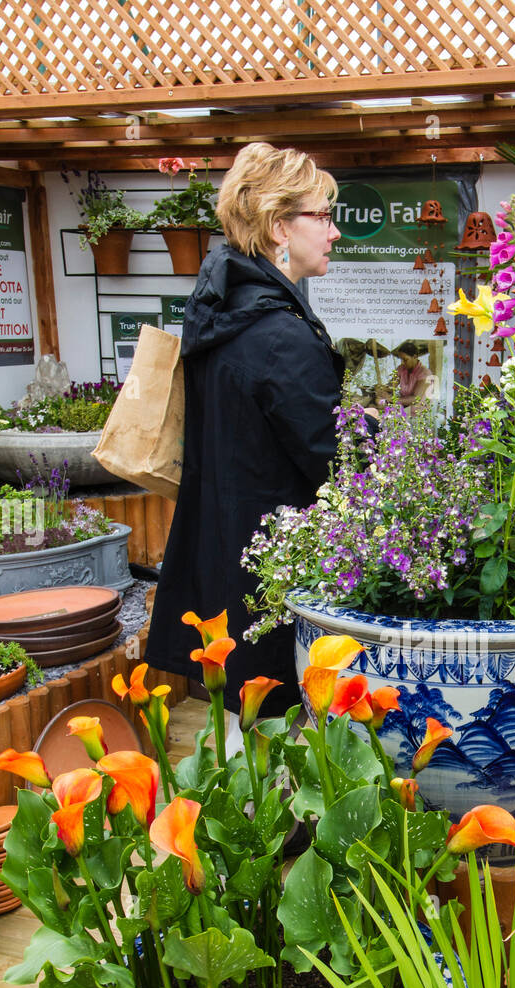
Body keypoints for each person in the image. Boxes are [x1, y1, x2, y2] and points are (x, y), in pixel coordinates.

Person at [145, 143, 346, 724]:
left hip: (226, 556)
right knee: (280, 732)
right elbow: (329, 458)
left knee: (241, 722)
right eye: (323, 217)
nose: (333, 234)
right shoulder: (278, 336)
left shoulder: (222, 312)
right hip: (274, 573)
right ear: (281, 225)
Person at [377, 341, 435, 414]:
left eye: (405, 359)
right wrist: (382, 389)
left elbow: (415, 399)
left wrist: (392, 399)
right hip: (404, 406)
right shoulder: (401, 369)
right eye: (401, 359)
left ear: (415, 356)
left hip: (419, 411)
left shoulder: (425, 373)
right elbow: (391, 386)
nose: (403, 363)